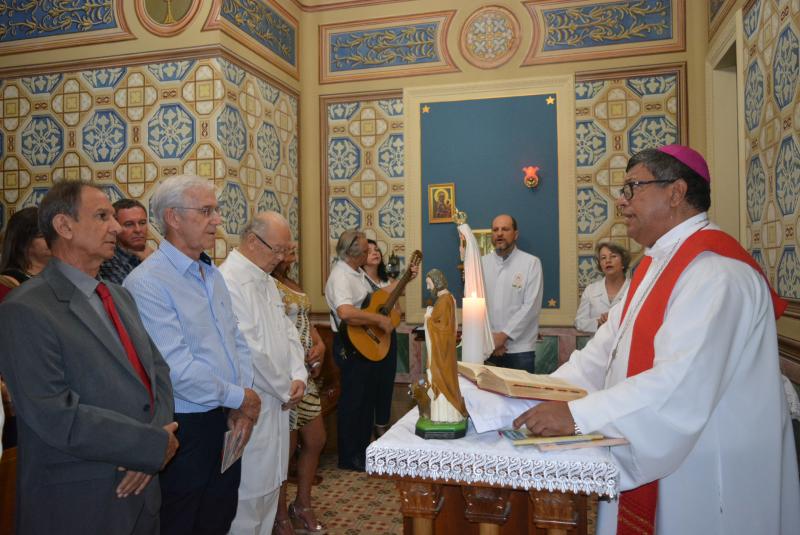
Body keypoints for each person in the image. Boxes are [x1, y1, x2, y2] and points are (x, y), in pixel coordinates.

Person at [514, 145, 800, 535]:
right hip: (664, 458)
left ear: (676, 192)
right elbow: (601, 354)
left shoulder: (718, 273)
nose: (622, 200)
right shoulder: (653, 267)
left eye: (633, 187)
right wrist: (536, 391)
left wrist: (578, 416)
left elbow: (681, 383)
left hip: (707, 471)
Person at [0, 181, 178, 534]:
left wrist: (150, 450)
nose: (115, 227)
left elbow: (157, 372)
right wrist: (149, 445)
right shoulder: (25, 308)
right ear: (64, 227)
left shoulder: (118, 296)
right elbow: (54, 413)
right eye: (102, 216)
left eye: (114, 216)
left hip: (142, 491)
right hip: (80, 501)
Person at [124, 175, 260, 535]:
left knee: (220, 514)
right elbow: (177, 369)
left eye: (214, 210)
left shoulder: (209, 274)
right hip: (188, 424)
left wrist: (240, 400)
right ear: (173, 217)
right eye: (206, 211)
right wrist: (241, 397)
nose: (217, 220)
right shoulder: (148, 283)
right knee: (182, 521)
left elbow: (236, 340)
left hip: (227, 415)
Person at [219, 212, 307, 535]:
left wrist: (299, 377)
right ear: (253, 241)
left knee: (270, 497)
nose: (283, 258)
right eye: (278, 250)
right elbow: (250, 348)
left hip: (279, 406)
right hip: (253, 406)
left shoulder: (268, 282)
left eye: (287, 250)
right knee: (246, 507)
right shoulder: (227, 281)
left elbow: (289, 333)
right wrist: (287, 388)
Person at [324, 230, 416, 471]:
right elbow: (345, 312)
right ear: (354, 253)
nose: (368, 253)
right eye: (365, 250)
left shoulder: (358, 275)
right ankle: (349, 457)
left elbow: (380, 296)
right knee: (354, 402)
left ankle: (362, 452)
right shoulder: (340, 276)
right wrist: (377, 321)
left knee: (365, 402)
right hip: (349, 345)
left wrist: (405, 279)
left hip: (363, 344)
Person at [272, 242, 327, 534]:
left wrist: (319, 346)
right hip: (285, 376)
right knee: (287, 450)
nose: (292, 251)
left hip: (307, 373)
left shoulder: (291, 282)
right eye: (287, 248)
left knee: (316, 439)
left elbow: (305, 321)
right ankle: (279, 514)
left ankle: (302, 504)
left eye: (294, 247)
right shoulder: (267, 284)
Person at [0, 206, 52, 449]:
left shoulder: (57, 281)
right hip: (22, 396)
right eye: (44, 235)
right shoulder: (7, 287)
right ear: (23, 242)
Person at [481, 214, 543, 373]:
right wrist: (492, 339)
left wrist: (503, 337)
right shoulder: (481, 263)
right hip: (487, 347)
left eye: (505, 229)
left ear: (515, 234)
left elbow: (531, 306)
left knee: (521, 397)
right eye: (495, 230)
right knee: (488, 396)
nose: (499, 233)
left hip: (519, 350)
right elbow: (476, 305)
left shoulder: (531, 263)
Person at [362, 239, 398, 438]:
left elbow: (397, 312)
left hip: (388, 337)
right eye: (369, 251)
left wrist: (391, 321)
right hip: (366, 339)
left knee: (386, 384)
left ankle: (382, 425)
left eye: (377, 250)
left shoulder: (387, 282)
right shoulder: (358, 281)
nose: (375, 253)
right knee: (369, 385)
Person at [423, 269, 466, 423]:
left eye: (429, 284)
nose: (428, 288)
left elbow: (445, 329)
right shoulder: (444, 299)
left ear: (436, 282)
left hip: (443, 354)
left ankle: (448, 415)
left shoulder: (445, 300)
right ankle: (443, 414)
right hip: (442, 350)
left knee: (443, 380)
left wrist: (428, 318)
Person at [574, 242, 631, 333]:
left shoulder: (635, 288)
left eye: (613, 256)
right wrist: (598, 323)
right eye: (603, 258)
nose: (608, 261)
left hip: (627, 345)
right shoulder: (590, 290)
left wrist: (616, 320)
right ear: (600, 265)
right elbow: (579, 322)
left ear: (623, 262)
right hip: (597, 345)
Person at [99, 198, 154, 284]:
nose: (138, 230)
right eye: (129, 224)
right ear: (115, 227)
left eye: (142, 223)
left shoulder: (150, 255)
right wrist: (150, 264)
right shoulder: (107, 263)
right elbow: (136, 294)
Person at [0, 206, 52, 285]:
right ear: (23, 242)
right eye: (43, 236)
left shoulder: (62, 274)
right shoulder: (8, 283)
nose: (52, 240)